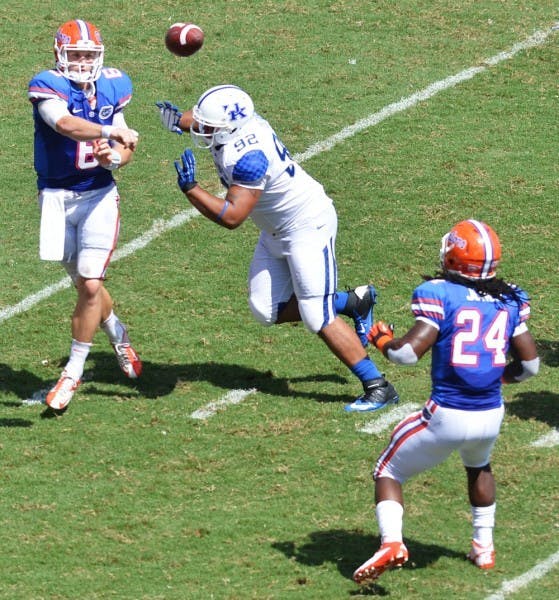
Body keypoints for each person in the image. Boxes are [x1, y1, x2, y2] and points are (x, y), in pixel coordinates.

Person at [155, 85, 398, 411]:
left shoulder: (250, 158)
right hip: (275, 230)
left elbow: (232, 216)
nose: (201, 130)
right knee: (265, 309)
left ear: (230, 129)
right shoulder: (236, 126)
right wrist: (178, 120)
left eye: (207, 126)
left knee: (316, 315)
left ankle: (378, 385)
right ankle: (353, 302)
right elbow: (205, 121)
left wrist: (191, 189)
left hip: (307, 226)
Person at [351, 219, 539, 585]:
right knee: (479, 465)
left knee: (388, 471)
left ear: (453, 258)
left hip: (447, 414)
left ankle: (391, 543)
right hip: (490, 413)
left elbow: (407, 355)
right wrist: (500, 375)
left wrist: (382, 341)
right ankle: (483, 548)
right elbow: (530, 366)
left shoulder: (440, 294)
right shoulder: (510, 298)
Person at [28, 19, 143, 411]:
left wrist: (118, 158)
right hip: (56, 198)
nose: (81, 61)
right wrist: (109, 133)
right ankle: (116, 331)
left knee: (92, 285)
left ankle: (72, 373)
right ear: (60, 55)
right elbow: (65, 124)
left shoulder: (113, 85)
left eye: (87, 55)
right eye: (75, 54)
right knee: (83, 284)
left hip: (97, 196)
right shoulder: (49, 85)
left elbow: (126, 145)